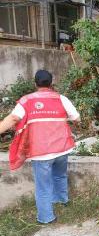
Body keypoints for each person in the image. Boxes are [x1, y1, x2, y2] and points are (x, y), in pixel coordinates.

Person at [0, 70, 80, 223]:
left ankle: (46, 218)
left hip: (41, 152)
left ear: (35, 83)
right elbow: (76, 117)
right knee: (59, 175)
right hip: (63, 148)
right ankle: (62, 200)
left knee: (43, 186)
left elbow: (12, 119)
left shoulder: (27, 101)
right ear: (51, 83)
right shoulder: (61, 98)